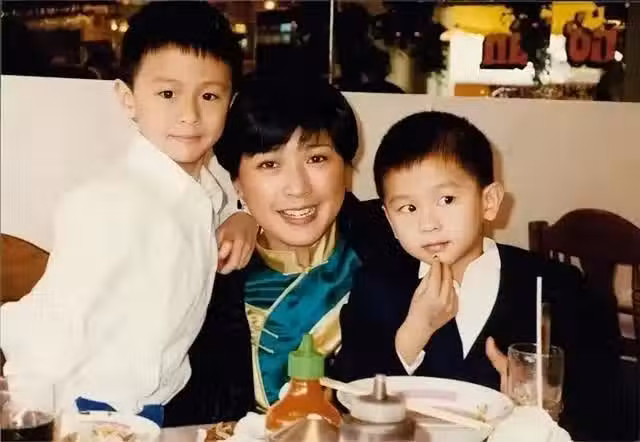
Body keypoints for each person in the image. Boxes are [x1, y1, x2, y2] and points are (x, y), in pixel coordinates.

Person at [0, 1, 257, 426]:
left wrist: (244, 214)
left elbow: (220, 200)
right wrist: (26, 419)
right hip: (83, 411)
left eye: (209, 95)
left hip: (149, 412)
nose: (190, 115)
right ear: (128, 98)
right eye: (168, 94)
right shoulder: (108, 203)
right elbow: (54, 327)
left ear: (230, 103)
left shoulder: (202, 188)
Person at [336, 111, 623, 440]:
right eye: (408, 208)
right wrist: (412, 335)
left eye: (447, 200)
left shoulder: (557, 289)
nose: (428, 224)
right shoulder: (375, 286)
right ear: (389, 219)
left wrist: (543, 409)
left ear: (489, 201)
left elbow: (605, 411)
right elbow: (347, 395)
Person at [163, 73, 397, 426]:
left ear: (347, 167)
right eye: (269, 164)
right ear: (238, 183)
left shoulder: (396, 244)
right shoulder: (212, 277)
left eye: (317, 159)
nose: (297, 188)